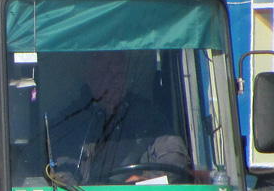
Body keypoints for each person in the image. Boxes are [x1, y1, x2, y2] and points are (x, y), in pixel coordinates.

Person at [52, 50, 190, 184]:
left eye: (119, 73)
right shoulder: (72, 121)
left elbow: (175, 157)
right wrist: (71, 188)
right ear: (89, 77)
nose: (115, 80)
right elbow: (62, 169)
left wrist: (148, 180)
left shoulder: (148, 115)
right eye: (105, 73)